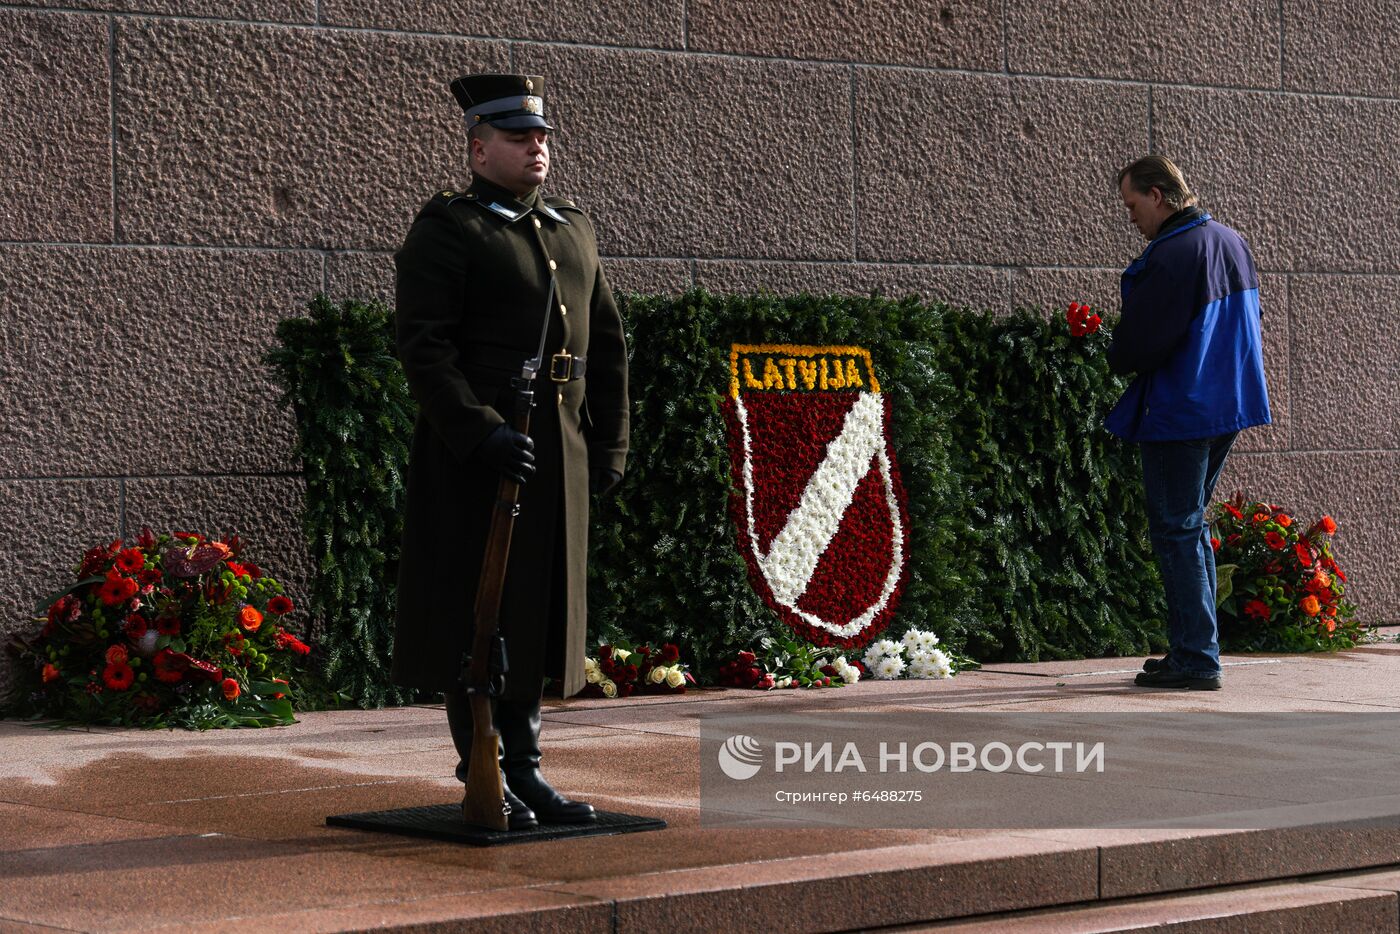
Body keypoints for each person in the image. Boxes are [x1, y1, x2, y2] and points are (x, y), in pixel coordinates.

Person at [391, 73, 629, 828]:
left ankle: (525, 771)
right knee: (480, 613)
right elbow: (424, 349)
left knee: (536, 613)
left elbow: (611, 347)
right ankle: (484, 769)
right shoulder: (450, 229)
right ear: (478, 146)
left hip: (557, 450)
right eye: (520, 137)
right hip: (479, 457)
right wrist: (479, 430)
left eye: (543, 136)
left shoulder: (570, 228)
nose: (538, 148)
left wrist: (610, 444)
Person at [1105, 155, 1270, 691]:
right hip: (1226, 404)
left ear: (1158, 195)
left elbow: (1141, 342)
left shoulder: (1174, 253)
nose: (1131, 217)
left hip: (1182, 408)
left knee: (1176, 529)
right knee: (1189, 525)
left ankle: (1196, 659)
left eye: (1132, 204)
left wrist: (1113, 351)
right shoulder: (1229, 240)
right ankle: (1195, 652)